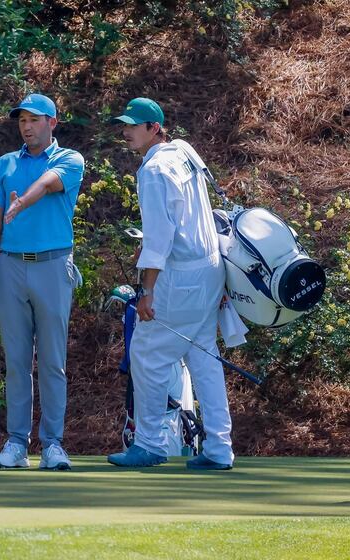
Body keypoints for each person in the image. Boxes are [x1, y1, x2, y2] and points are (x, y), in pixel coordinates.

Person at [106, 97, 234, 470]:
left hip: (182, 276)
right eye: (124, 125)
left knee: (146, 353)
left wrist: (146, 290)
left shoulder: (153, 170)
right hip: (210, 267)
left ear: (154, 128)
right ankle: (219, 449)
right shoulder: (183, 151)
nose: (126, 131)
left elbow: (160, 238)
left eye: (134, 125)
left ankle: (148, 444)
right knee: (203, 355)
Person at [0, 93, 84, 470]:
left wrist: (23, 202)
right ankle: (17, 444)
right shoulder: (5, 164)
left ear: (52, 122)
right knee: (17, 362)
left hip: (53, 265)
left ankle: (52, 444)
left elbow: (48, 183)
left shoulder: (69, 159)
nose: (27, 126)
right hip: (11, 266)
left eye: (35, 119)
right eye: (22, 120)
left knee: (53, 361)